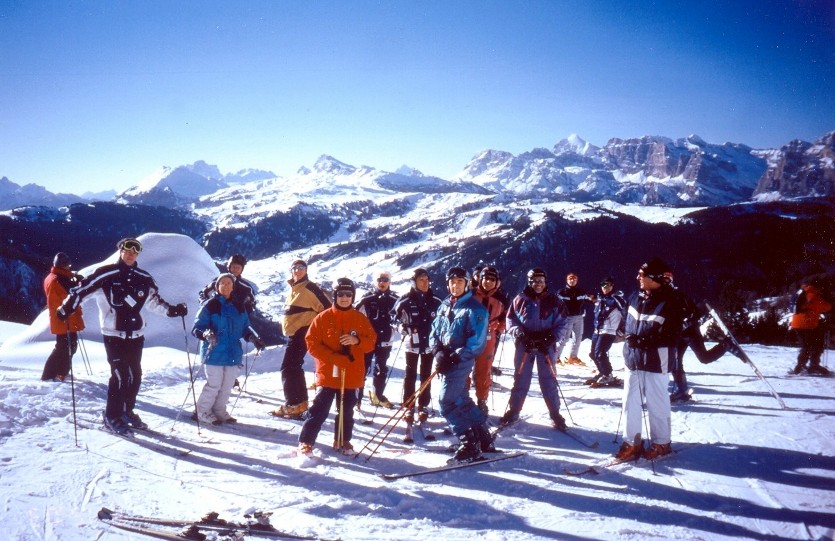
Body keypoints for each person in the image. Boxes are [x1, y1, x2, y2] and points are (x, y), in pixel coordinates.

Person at [58, 238, 187, 435]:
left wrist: (173, 311)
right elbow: (81, 291)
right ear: (120, 251)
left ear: (138, 255)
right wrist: (67, 308)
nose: (130, 254)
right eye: (127, 250)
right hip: (113, 335)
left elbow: (154, 302)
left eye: (135, 252)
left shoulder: (144, 278)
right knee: (119, 376)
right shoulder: (105, 274)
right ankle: (112, 415)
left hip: (136, 336)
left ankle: (127, 411)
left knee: (135, 376)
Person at [616, 257, 685, 461]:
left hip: (657, 358)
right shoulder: (635, 297)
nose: (638, 277)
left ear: (654, 278)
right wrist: (625, 334)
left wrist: (646, 341)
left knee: (657, 400)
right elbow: (625, 322)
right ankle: (632, 442)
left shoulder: (671, 301)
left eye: (642, 274)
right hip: (633, 358)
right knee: (630, 401)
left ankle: (662, 442)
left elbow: (673, 334)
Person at [298, 278, 376, 455]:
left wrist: (357, 340)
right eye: (340, 294)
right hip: (328, 373)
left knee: (347, 410)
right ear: (334, 296)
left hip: (351, 373)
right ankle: (306, 441)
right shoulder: (323, 318)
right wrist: (333, 357)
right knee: (319, 409)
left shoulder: (359, 318)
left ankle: (343, 440)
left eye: (348, 295)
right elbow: (311, 343)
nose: (344, 298)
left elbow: (371, 342)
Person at [429, 267, 491, 463]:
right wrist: (437, 351)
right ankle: (482, 436)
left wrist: (455, 357)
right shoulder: (444, 306)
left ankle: (469, 444)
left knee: (446, 401)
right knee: (461, 399)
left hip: (461, 361)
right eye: (452, 282)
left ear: (466, 284)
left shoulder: (475, 309)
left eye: (459, 282)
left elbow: (477, 342)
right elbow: (434, 333)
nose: (455, 286)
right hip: (446, 359)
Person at [501, 268, 570, 430]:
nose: (538, 284)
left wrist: (552, 337)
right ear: (529, 282)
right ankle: (514, 410)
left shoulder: (554, 301)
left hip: (546, 346)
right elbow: (511, 320)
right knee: (521, 378)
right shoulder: (520, 299)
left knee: (548, 380)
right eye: (534, 281)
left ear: (545, 282)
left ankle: (555, 413)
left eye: (541, 281)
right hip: (525, 345)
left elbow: (563, 323)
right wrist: (520, 334)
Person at [192, 273, 265, 425]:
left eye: (229, 283)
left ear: (233, 286)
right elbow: (197, 327)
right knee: (214, 384)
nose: (226, 286)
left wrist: (253, 338)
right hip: (214, 351)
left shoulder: (239, 307)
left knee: (227, 386)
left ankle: (219, 411)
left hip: (233, 352)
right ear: (217, 287)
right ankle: (203, 411)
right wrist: (206, 334)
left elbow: (245, 327)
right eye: (222, 283)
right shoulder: (210, 305)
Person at [273, 259, 332, 419]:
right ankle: (299, 403)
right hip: (295, 334)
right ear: (291, 271)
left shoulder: (309, 287)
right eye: (295, 268)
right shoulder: (295, 288)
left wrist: (315, 330)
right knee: (293, 366)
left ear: (306, 270)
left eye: (301, 267)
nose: (298, 270)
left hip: (303, 332)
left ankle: (294, 404)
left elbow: (327, 308)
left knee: (288, 367)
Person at [669, 282, 739, 402]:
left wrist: (687, 321)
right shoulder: (662, 299)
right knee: (675, 362)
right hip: (678, 336)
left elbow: (695, 312)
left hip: (691, 332)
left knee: (704, 358)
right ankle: (682, 390)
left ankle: (725, 345)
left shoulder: (679, 296)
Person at [394, 268, 442, 425]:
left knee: (426, 375)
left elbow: (444, 321)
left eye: (427, 280)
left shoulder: (436, 301)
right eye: (421, 280)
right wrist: (403, 328)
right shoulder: (405, 300)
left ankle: (423, 405)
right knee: (410, 375)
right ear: (414, 282)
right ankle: (409, 405)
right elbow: (392, 319)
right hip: (411, 344)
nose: (425, 283)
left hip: (429, 344)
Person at [355, 271, 399, 409]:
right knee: (363, 368)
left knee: (381, 369)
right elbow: (354, 313)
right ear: (376, 282)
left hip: (385, 339)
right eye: (380, 279)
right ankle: (357, 398)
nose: (382, 282)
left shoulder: (395, 299)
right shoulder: (367, 298)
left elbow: (402, 317)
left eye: (385, 280)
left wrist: (397, 329)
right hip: (367, 340)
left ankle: (377, 396)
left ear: (389, 282)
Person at [41, 252, 85, 382]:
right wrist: (78, 282)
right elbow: (71, 293)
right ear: (63, 266)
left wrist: (73, 277)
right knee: (65, 347)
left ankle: (60, 373)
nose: (69, 268)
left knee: (66, 346)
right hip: (64, 318)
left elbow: (67, 283)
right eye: (68, 266)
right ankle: (50, 375)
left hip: (62, 318)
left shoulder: (53, 276)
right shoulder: (58, 280)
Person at [470, 265, 507, 416]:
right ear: (480, 279)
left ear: (496, 282)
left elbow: (506, 317)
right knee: (465, 367)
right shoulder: (471, 294)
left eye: (492, 279)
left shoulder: (501, 298)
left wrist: (498, 329)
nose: (488, 282)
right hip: (470, 336)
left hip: (489, 337)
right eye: (486, 278)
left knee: (484, 370)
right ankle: (463, 399)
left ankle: (481, 401)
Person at [587, 277, 626, 387]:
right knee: (593, 354)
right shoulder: (600, 298)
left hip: (609, 330)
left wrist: (622, 328)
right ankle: (603, 372)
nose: (605, 288)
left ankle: (608, 375)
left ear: (612, 286)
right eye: (603, 285)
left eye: (608, 285)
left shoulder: (616, 297)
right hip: (598, 330)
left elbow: (624, 308)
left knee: (600, 353)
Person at [789, 279, 832, 376]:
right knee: (809, 346)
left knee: (810, 345)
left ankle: (805, 366)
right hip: (807, 325)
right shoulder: (814, 294)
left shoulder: (803, 292)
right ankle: (804, 367)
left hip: (798, 324)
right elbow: (826, 307)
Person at [555, 272, 596, 365]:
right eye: (570, 279)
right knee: (564, 338)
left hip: (579, 317)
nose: (572, 281)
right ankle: (556, 357)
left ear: (577, 280)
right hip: (566, 318)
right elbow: (555, 303)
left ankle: (573, 357)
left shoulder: (581, 292)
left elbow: (592, 299)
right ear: (567, 280)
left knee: (578, 338)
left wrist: (595, 298)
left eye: (574, 279)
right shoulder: (561, 292)